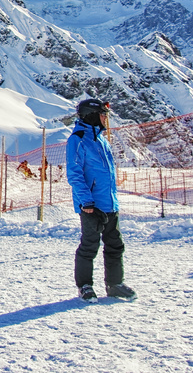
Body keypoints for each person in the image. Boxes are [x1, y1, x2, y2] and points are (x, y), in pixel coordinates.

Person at [67, 98, 136, 303]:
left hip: (109, 203)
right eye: (103, 114)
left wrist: (113, 201)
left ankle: (115, 284)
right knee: (89, 245)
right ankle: (85, 286)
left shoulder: (102, 139)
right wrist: (86, 201)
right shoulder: (77, 139)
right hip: (91, 205)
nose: (106, 118)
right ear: (91, 115)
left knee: (115, 244)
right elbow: (74, 172)